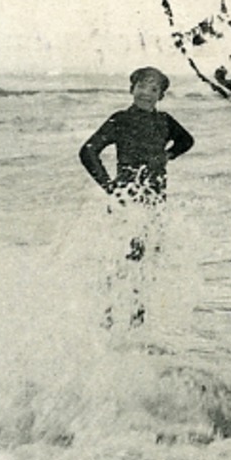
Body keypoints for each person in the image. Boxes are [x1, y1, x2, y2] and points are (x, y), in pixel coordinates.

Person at [79, 67, 194, 328]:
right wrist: (109, 186)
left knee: (145, 263)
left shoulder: (164, 121)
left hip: (154, 201)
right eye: (142, 86)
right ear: (131, 89)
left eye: (154, 89)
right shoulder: (120, 120)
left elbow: (186, 141)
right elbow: (88, 151)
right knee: (119, 261)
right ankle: (106, 320)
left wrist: (168, 155)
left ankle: (136, 324)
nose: (146, 93)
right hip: (126, 202)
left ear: (161, 96)